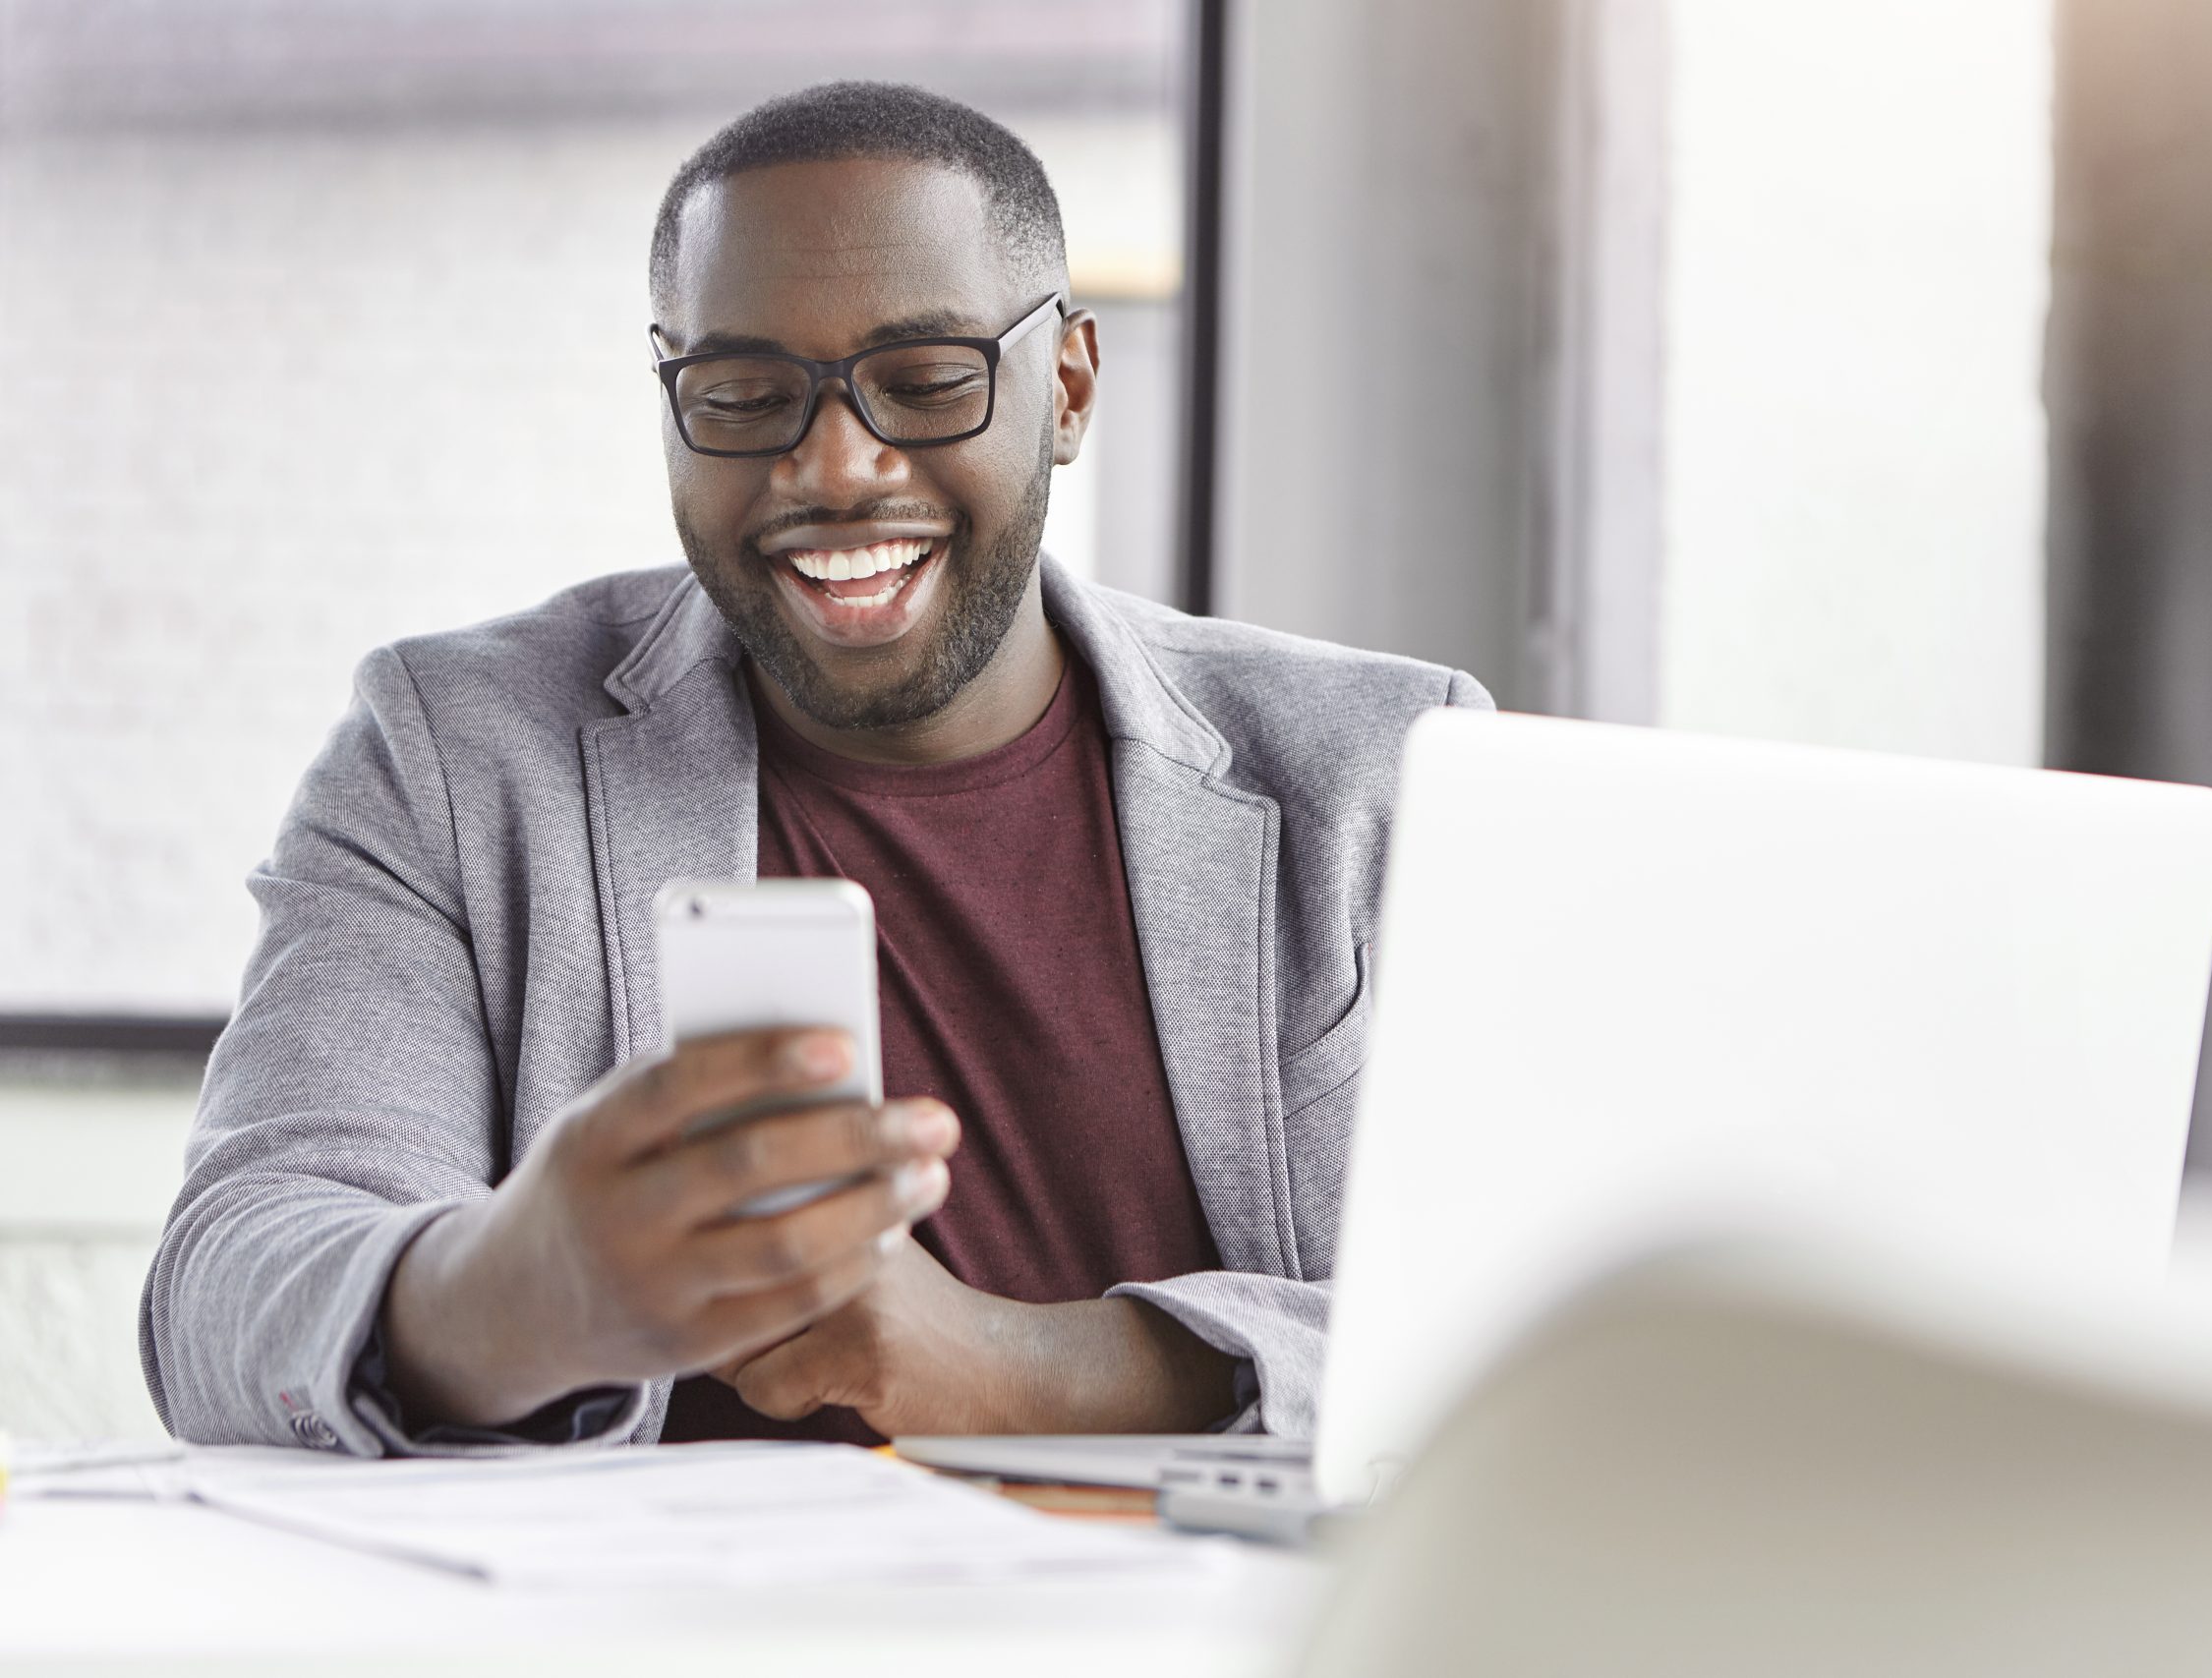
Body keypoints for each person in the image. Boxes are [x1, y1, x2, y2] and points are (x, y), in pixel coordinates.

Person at [141, 81, 1490, 1455]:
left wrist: (1014, 1366)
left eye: (924, 382)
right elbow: (227, 1296)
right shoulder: (454, 756)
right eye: (743, 394)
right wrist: (523, 1293)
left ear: (1069, 387)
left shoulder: (1389, 774)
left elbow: (1548, 1315)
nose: (836, 466)